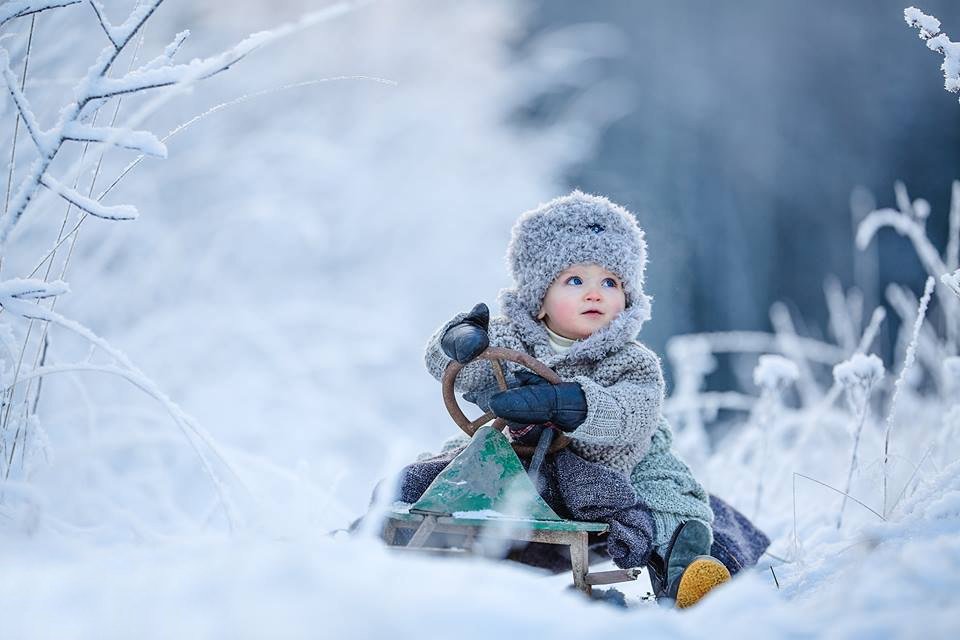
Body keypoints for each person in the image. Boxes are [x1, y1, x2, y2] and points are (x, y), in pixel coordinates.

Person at [423, 190, 730, 607]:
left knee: (669, 498)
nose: (595, 293)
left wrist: (571, 404)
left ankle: (684, 570)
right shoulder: (509, 337)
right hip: (516, 449)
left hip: (619, 461)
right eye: (575, 280)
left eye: (610, 281)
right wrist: (456, 344)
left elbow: (632, 413)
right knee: (437, 473)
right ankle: (402, 541)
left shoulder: (631, 360)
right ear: (540, 297)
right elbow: (453, 369)